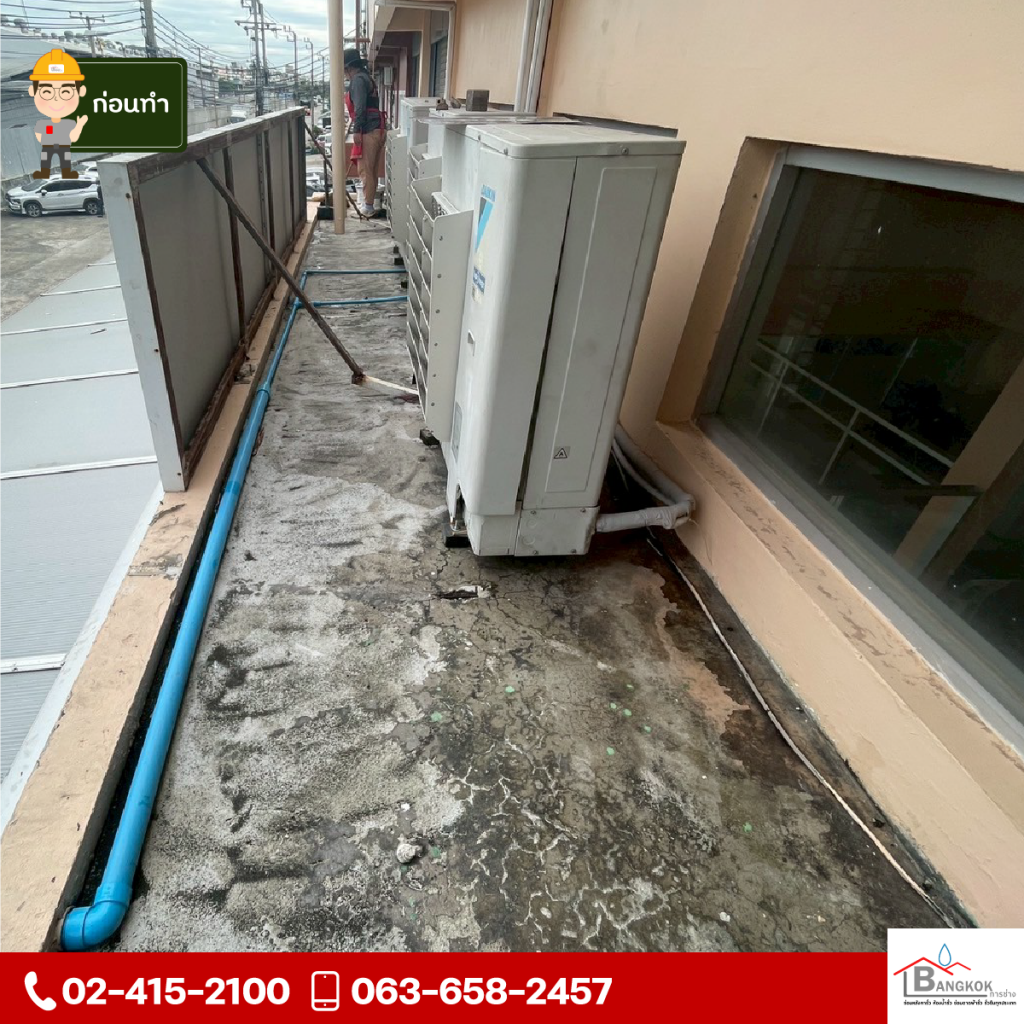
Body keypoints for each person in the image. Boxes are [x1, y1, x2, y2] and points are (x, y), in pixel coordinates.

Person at [29, 49, 89, 179]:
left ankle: (66, 172)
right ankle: (45, 171)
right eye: (47, 92)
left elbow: (73, 138)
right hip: (49, 146)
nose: (56, 99)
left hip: (62, 146)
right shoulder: (43, 123)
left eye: (66, 92)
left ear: (81, 92)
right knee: (47, 157)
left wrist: (80, 124)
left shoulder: (69, 123)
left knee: (64, 158)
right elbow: (39, 136)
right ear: (33, 91)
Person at [343, 48, 386, 217]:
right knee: (371, 171)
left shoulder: (358, 81)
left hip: (368, 129)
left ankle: (368, 208)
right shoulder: (367, 78)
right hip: (377, 128)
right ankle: (369, 205)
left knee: (365, 170)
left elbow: (360, 107)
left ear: (348, 68)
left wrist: (357, 130)